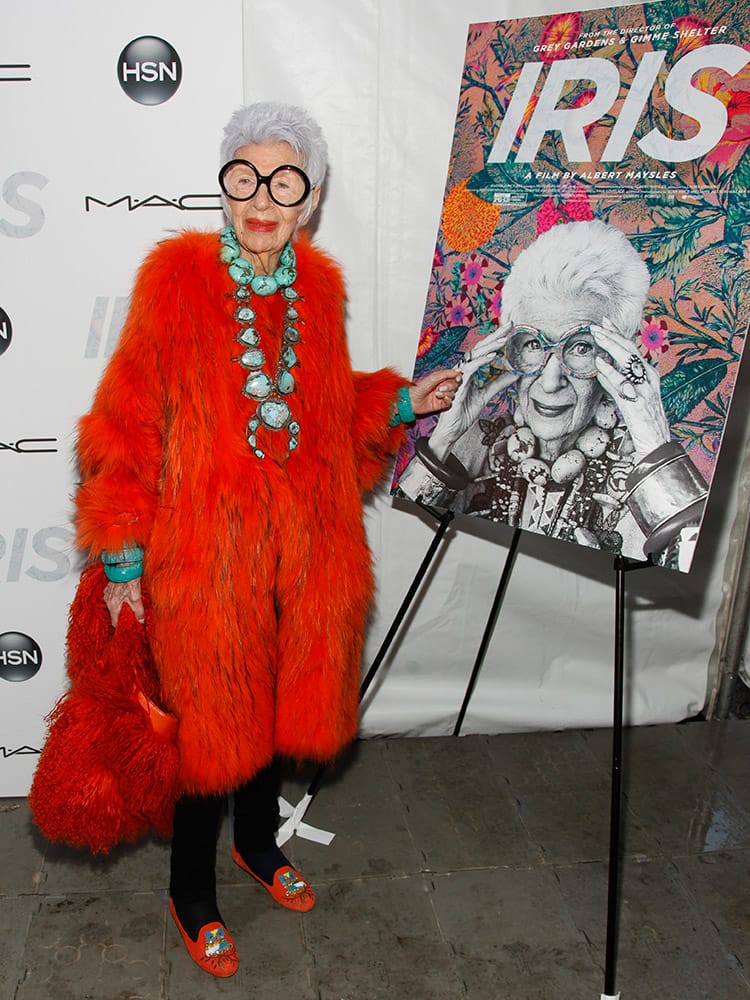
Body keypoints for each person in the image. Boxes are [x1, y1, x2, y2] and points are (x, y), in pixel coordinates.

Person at [73, 102, 461, 977]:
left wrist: (401, 401)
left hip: (303, 550)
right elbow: (126, 421)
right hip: (203, 556)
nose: (261, 197)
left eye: (284, 182)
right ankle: (190, 892)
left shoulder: (317, 286)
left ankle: (259, 844)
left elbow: (320, 410)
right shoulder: (176, 279)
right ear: (225, 187)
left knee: (277, 713)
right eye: (244, 176)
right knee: (208, 735)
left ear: (310, 199)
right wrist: (123, 556)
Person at [397, 219, 707, 565]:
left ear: (618, 355)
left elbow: (684, 561)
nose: (550, 381)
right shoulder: (473, 444)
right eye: (533, 343)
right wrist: (444, 438)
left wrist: (655, 444)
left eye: (579, 348)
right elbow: (403, 540)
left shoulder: (641, 472)